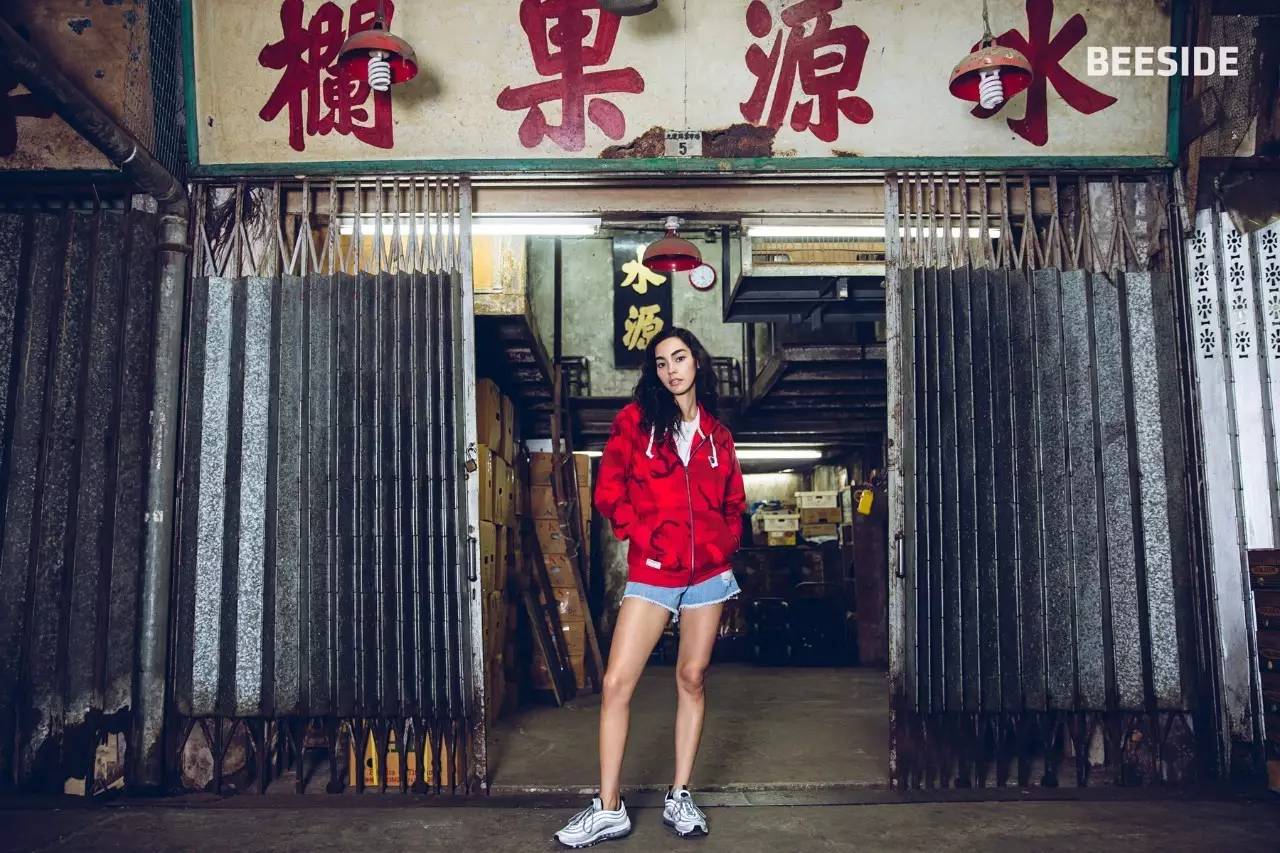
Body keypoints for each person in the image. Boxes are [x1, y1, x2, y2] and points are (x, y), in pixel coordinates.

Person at [554, 328, 746, 848]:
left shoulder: (718, 437)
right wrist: (644, 533)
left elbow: (734, 502)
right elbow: (608, 491)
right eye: (661, 363)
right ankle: (608, 807)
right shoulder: (636, 423)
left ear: (697, 363)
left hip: (708, 576)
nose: (671, 370)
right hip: (654, 571)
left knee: (692, 677)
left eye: (679, 358)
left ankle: (680, 794)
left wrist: (724, 543)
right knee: (617, 683)